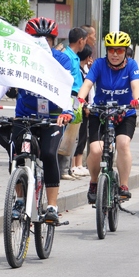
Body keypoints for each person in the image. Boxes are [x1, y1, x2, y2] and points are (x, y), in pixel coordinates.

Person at [0, 16, 76, 223]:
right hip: (26, 115)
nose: (41, 42)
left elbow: (67, 87)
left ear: (53, 41)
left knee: (48, 154)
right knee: (18, 152)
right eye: (36, 38)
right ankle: (20, 198)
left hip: (53, 118)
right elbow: (4, 82)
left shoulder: (61, 59)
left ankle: (51, 206)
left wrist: (67, 110)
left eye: (46, 39)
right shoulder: (19, 56)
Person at [76, 31, 139, 204]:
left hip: (124, 113)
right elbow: (88, 84)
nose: (114, 54)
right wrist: (81, 100)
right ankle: (94, 182)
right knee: (96, 151)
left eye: (119, 51)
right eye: (111, 50)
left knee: (122, 144)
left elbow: (136, 86)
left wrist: (138, 100)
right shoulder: (98, 64)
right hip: (100, 112)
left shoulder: (131, 65)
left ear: (125, 52)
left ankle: (124, 186)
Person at [58, 27, 88, 180]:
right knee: (67, 134)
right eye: (85, 40)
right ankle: (62, 169)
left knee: (73, 134)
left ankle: (67, 168)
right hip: (70, 97)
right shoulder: (67, 57)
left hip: (76, 97)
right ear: (80, 40)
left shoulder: (74, 57)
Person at [72, 44, 94, 177]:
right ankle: (74, 164)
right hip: (80, 108)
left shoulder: (86, 70)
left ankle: (79, 164)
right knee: (77, 136)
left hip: (86, 107)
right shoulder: (79, 71)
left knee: (82, 137)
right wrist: (84, 105)